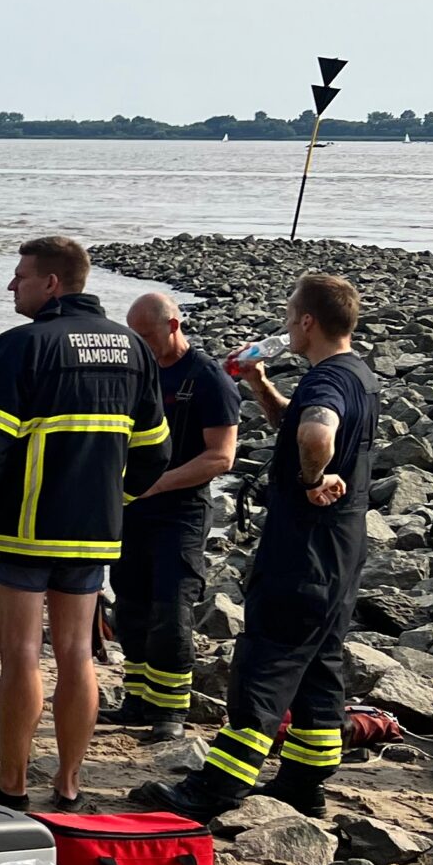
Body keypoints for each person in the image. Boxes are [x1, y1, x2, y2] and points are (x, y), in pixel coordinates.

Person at [137, 275, 377, 817]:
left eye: (291, 317)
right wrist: (258, 383)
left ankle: (215, 789)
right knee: (319, 661)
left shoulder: (324, 385)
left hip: (303, 551)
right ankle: (304, 778)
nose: (287, 326)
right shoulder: (357, 372)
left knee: (266, 664)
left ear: (308, 322)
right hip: (341, 552)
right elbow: (296, 422)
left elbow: (315, 431)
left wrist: (314, 479)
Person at [0, 237, 167, 810]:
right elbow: (154, 453)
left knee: (20, 653)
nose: (10, 286)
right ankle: (69, 785)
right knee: (76, 655)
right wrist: (113, 498)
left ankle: (13, 784)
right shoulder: (134, 350)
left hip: (20, 528)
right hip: (92, 531)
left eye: (19, 276)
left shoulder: (20, 346)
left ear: (51, 283)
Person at [107, 293, 240, 742]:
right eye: (134, 338)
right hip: (130, 509)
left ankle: (170, 713)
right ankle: (137, 699)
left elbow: (221, 458)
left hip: (179, 511)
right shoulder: (135, 372)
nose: (140, 346)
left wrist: (157, 483)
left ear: (174, 325)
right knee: (130, 606)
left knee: (171, 609)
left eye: (146, 337)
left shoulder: (207, 379)